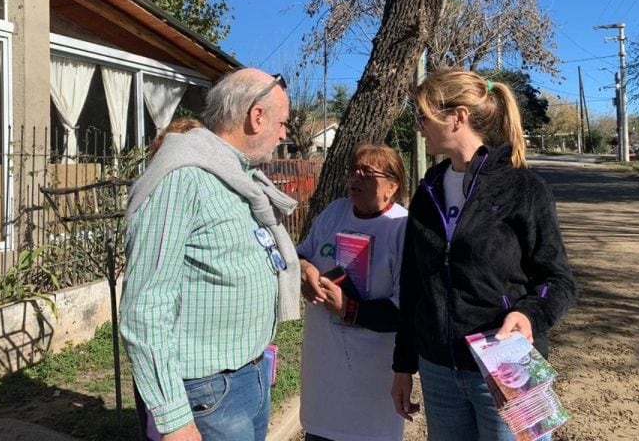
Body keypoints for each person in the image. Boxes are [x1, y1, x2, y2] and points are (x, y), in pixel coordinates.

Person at [391, 68, 576, 441]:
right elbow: (412, 287)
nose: (418, 126)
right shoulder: (427, 193)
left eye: (423, 116)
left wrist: (529, 314)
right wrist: (402, 367)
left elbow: (558, 280)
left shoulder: (524, 188)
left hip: (505, 366)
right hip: (439, 371)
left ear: (456, 117)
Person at [120, 69, 301, 441]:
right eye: (283, 122)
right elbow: (145, 307)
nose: (285, 133)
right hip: (205, 392)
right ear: (256, 116)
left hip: (247, 376)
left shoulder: (236, 176)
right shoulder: (182, 179)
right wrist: (174, 420)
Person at [297, 143, 409, 441]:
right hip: (323, 379)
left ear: (392, 186)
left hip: (371, 386)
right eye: (354, 171)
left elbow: (406, 311)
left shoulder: (402, 228)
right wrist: (304, 271)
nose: (355, 178)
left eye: (367, 173)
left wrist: (348, 309)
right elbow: (301, 254)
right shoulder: (335, 211)